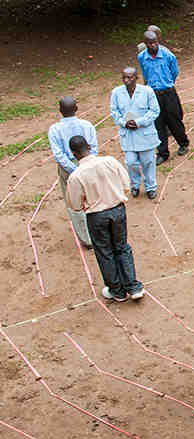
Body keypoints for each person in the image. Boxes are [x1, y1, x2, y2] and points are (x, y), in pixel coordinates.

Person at [66, 135, 144, 302]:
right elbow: (125, 184)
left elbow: (75, 205)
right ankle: (133, 286)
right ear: (89, 146)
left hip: (96, 215)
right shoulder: (110, 161)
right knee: (122, 247)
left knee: (104, 251)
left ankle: (117, 291)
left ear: (73, 154)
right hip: (117, 210)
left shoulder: (76, 176)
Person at [48, 96, 98, 248]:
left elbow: (59, 155)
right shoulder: (87, 125)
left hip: (68, 167)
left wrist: (73, 169)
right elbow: (93, 148)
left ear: (60, 111)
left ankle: (87, 239)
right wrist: (86, 165)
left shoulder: (54, 129)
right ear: (76, 109)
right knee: (93, 197)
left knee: (73, 202)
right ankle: (98, 233)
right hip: (87, 163)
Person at [138, 30, 189, 165]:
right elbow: (145, 73)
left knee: (174, 120)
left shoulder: (168, 55)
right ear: (145, 44)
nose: (153, 45)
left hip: (168, 92)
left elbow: (174, 72)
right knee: (158, 123)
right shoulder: (142, 57)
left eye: (155, 42)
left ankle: (183, 143)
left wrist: (166, 83)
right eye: (150, 43)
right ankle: (163, 152)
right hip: (153, 94)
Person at [109, 67, 160, 199]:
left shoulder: (147, 91)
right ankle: (135, 185)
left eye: (130, 77)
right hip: (128, 135)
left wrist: (139, 122)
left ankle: (151, 187)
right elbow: (114, 112)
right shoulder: (116, 93)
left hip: (145, 134)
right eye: (124, 77)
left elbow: (154, 110)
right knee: (131, 162)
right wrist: (123, 122)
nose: (126, 80)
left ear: (136, 78)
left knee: (148, 161)